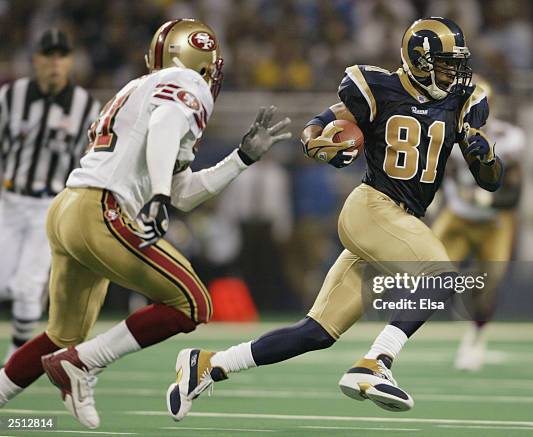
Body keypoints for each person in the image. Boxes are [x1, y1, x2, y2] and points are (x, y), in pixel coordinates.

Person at [166, 16, 503, 419]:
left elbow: (490, 181)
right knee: (440, 274)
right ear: (420, 60)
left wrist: (483, 153)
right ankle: (375, 363)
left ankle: (208, 364)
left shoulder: (463, 99)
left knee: (316, 332)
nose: (455, 70)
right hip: (373, 208)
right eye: (446, 61)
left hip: (397, 222)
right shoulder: (379, 87)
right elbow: (319, 126)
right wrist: (319, 144)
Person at [0, 19, 291, 429]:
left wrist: (240, 159)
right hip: (102, 210)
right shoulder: (186, 82)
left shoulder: (138, 89)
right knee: (193, 302)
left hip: (69, 207)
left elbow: (184, 192)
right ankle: (82, 365)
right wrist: (156, 194)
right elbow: (165, 128)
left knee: (61, 337)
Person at [0, 29, 100, 363]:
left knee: (29, 289)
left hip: (50, 207)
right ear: (36, 60)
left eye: (62, 55)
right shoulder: (11, 97)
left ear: (70, 61)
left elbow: (91, 160)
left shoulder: (86, 106)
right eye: (49, 55)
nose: (55, 63)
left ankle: (13, 367)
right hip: (9, 201)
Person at [431, 76, 524, 371]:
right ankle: (394, 338)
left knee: (489, 284)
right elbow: (437, 173)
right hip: (457, 216)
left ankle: (475, 336)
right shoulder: (444, 130)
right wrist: (430, 203)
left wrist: (486, 200)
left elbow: (515, 192)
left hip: (494, 222)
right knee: (427, 274)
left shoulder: (508, 138)